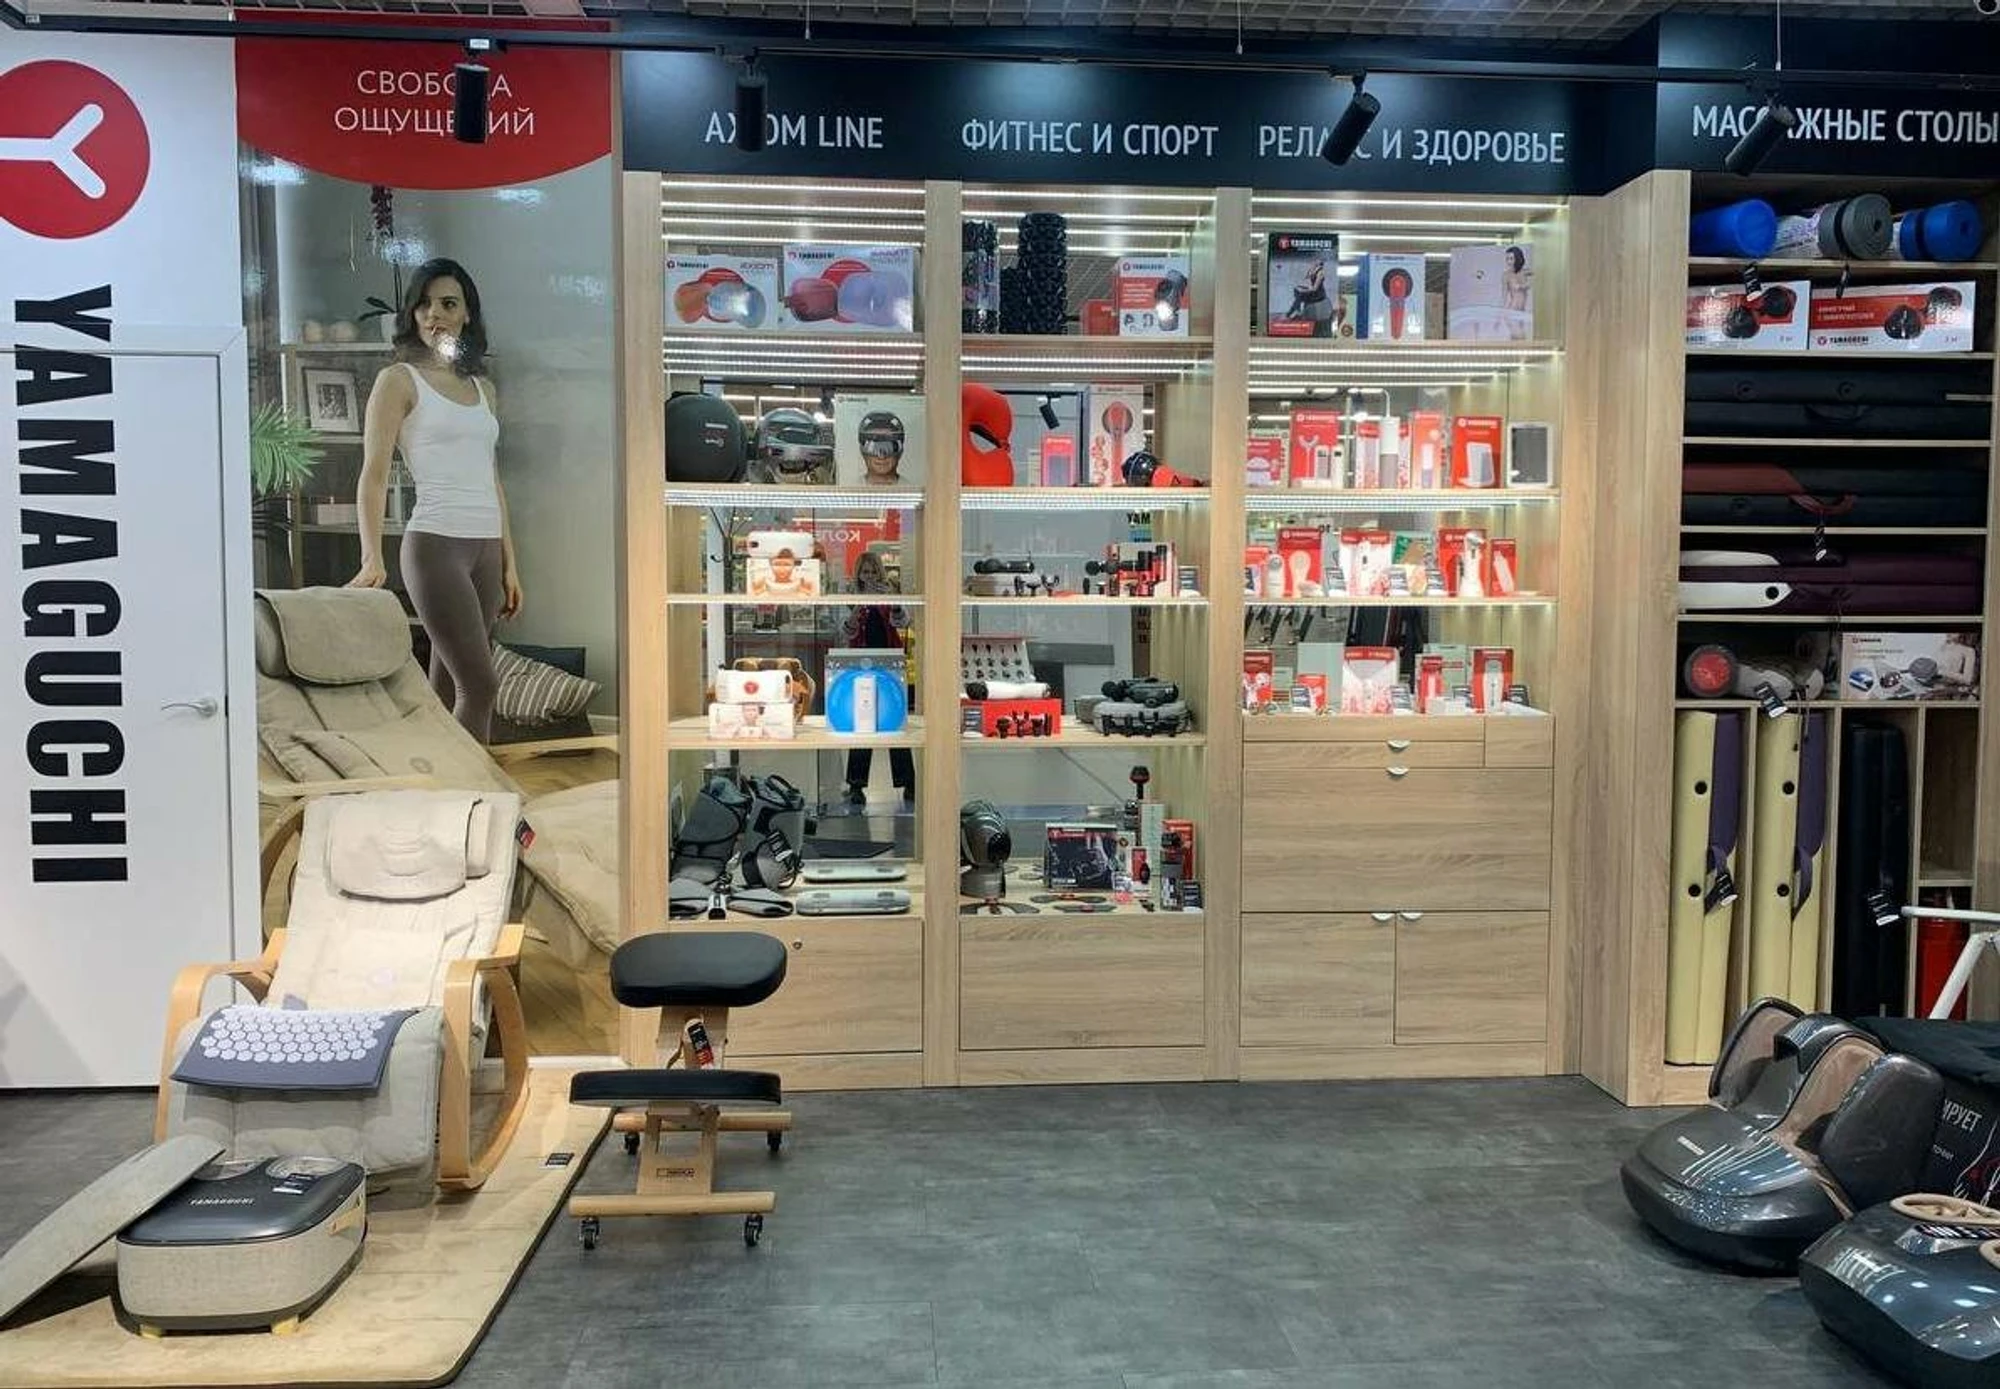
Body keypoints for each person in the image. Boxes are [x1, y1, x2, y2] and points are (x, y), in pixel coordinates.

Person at [347, 258, 521, 743]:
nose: (434, 314)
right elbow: (373, 474)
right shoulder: (398, 380)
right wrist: (370, 556)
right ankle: (475, 788)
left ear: (467, 314)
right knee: (481, 686)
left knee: (446, 691)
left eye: (448, 304)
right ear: (412, 313)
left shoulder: (482, 388)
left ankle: (433, 782)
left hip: (485, 547)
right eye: (424, 304)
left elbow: (491, 478)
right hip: (436, 546)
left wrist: (510, 562)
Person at [841, 551, 914, 805]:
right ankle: (856, 784)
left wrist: (893, 602)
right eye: (865, 572)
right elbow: (847, 632)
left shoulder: (890, 594)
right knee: (862, 724)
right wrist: (858, 607)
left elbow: (903, 621)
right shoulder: (851, 598)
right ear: (858, 574)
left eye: (873, 571)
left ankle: (908, 782)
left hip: (889, 664)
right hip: (861, 665)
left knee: (895, 723)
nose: (870, 576)